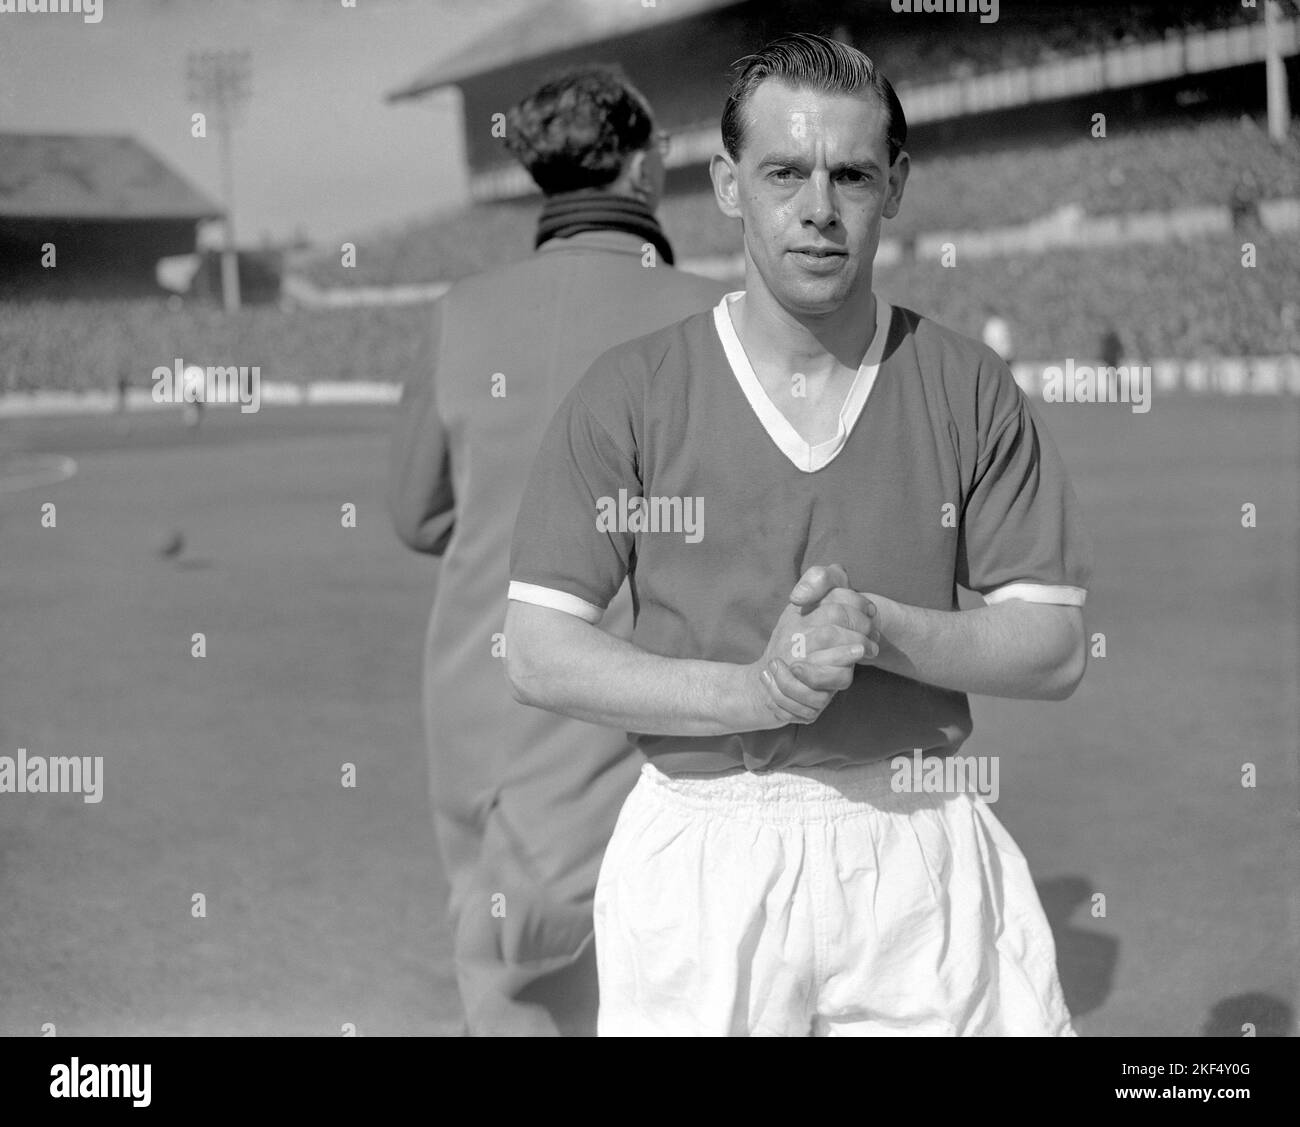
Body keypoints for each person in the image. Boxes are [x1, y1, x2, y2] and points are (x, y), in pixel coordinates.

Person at [505, 33, 1092, 1036]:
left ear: (894, 185)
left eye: (851, 174)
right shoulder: (631, 392)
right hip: (701, 849)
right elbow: (537, 648)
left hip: (919, 846)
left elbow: (1055, 645)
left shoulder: (966, 384)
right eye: (784, 171)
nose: (817, 207)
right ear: (730, 184)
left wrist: (878, 628)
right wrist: (755, 689)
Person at [388, 64, 728, 1036]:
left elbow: (415, 518)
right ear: (640, 163)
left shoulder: (461, 312)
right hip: (650, 733)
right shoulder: (717, 317)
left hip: (480, 733)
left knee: (509, 1003)